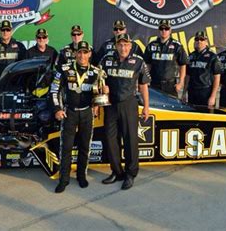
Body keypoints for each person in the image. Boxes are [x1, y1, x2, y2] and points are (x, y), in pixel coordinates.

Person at [51, 41, 105, 194]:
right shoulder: (64, 69)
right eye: (79, 52)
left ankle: (82, 176)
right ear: (75, 54)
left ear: (89, 54)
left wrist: (100, 99)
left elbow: (100, 94)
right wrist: (57, 109)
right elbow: (53, 90)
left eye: (85, 52)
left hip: (87, 113)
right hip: (69, 112)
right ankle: (64, 179)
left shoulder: (96, 72)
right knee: (66, 147)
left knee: (84, 146)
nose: (82, 55)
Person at [99, 33, 150, 190]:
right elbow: (99, 79)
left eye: (126, 45)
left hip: (128, 103)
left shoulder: (138, 62)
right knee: (110, 139)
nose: (123, 47)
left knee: (130, 140)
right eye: (120, 45)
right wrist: (102, 88)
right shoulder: (106, 59)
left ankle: (130, 173)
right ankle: (116, 171)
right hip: (111, 104)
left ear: (130, 46)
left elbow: (143, 86)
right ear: (116, 45)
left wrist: (146, 107)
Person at [143, 20, 188, 97]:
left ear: (170, 30)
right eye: (161, 28)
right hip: (154, 83)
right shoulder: (151, 45)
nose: (164, 31)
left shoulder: (177, 46)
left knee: (171, 108)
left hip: (170, 84)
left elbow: (183, 64)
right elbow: (147, 64)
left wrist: (181, 82)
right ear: (159, 30)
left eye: (166, 29)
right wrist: (146, 79)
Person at [183, 31, 221, 108]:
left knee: (207, 117)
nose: (199, 41)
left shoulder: (212, 56)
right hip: (192, 91)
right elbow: (187, 76)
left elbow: (217, 77)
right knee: (192, 116)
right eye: (197, 39)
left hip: (206, 91)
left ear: (206, 42)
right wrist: (184, 93)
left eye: (201, 39)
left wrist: (213, 96)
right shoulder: (191, 56)